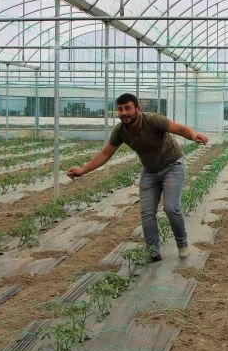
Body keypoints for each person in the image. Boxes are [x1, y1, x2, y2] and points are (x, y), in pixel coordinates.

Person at [66, 93, 208, 261]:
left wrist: (194, 136)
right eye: (120, 109)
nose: (124, 113)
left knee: (171, 208)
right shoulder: (120, 130)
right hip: (149, 171)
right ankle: (153, 252)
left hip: (172, 167)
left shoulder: (153, 120)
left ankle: (182, 244)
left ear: (137, 109)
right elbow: (106, 153)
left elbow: (179, 129)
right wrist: (83, 170)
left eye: (127, 108)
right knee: (147, 213)